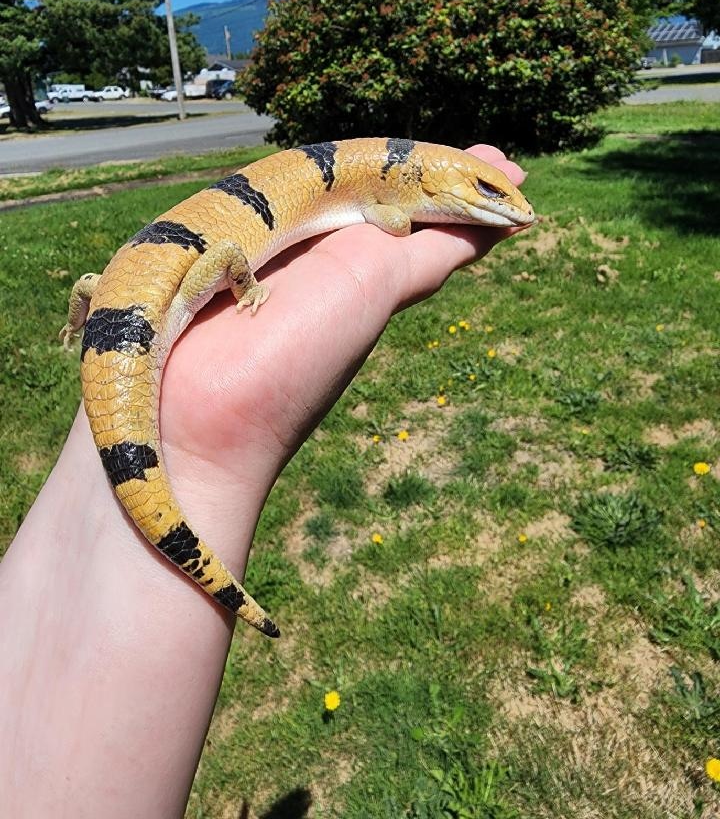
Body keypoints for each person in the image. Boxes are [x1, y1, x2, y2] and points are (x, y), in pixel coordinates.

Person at [0, 144, 529, 817]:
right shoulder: (393, 198)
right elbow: (389, 224)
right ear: (425, 178)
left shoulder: (393, 179)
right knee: (210, 277)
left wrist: (83, 320)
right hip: (170, 283)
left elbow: (88, 286)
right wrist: (246, 288)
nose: (502, 202)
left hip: (126, 283)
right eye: (486, 191)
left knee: (110, 311)